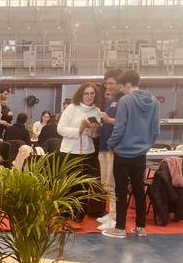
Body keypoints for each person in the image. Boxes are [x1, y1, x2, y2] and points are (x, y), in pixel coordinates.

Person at [102, 69, 160, 239]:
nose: (121, 90)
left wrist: (111, 144)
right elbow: (156, 130)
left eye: (121, 87)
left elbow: (119, 127)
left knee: (121, 192)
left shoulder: (125, 101)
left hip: (122, 153)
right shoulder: (154, 101)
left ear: (127, 84)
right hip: (140, 154)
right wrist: (146, 146)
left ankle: (120, 229)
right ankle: (141, 228)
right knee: (139, 191)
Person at [57, 82, 102, 222]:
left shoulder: (96, 111)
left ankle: (78, 213)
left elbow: (95, 135)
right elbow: (60, 129)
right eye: (86, 93)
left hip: (88, 152)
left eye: (92, 93)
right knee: (68, 184)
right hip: (69, 151)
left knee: (83, 184)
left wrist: (93, 130)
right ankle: (64, 212)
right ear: (81, 95)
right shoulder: (71, 108)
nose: (89, 96)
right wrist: (80, 129)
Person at [95, 68, 124, 232]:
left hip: (113, 148)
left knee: (112, 183)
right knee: (106, 183)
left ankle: (114, 217)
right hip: (103, 146)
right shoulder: (112, 99)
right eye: (107, 84)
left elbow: (122, 123)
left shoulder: (123, 100)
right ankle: (110, 212)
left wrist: (108, 119)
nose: (108, 86)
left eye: (111, 83)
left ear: (119, 83)